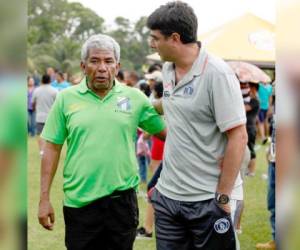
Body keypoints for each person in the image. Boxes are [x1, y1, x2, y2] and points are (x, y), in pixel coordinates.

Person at [37, 34, 166, 250]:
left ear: (117, 66)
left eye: (108, 61)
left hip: (122, 204)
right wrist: (44, 199)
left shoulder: (134, 98)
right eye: (94, 61)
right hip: (80, 204)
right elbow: (52, 148)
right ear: (83, 65)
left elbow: (168, 135)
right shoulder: (66, 99)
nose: (102, 68)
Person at [147, 2, 248, 249]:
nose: (151, 44)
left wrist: (223, 197)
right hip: (169, 198)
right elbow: (170, 103)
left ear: (175, 38)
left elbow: (239, 137)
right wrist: (132, 103)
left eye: (155, 38)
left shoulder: (217, 74)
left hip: (208, 199)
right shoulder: (168, 70)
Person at [32, 74, 58, 155]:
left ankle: (42, 151)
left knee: (40, 135)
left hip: (39, 117)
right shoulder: (54, 90)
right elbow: (58, 104)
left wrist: (34, 109)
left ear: (42, 80)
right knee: (51, 135)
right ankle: (50, 151)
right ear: (50, 81)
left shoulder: (36, 90)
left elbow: (33, 103)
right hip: (51, 117)